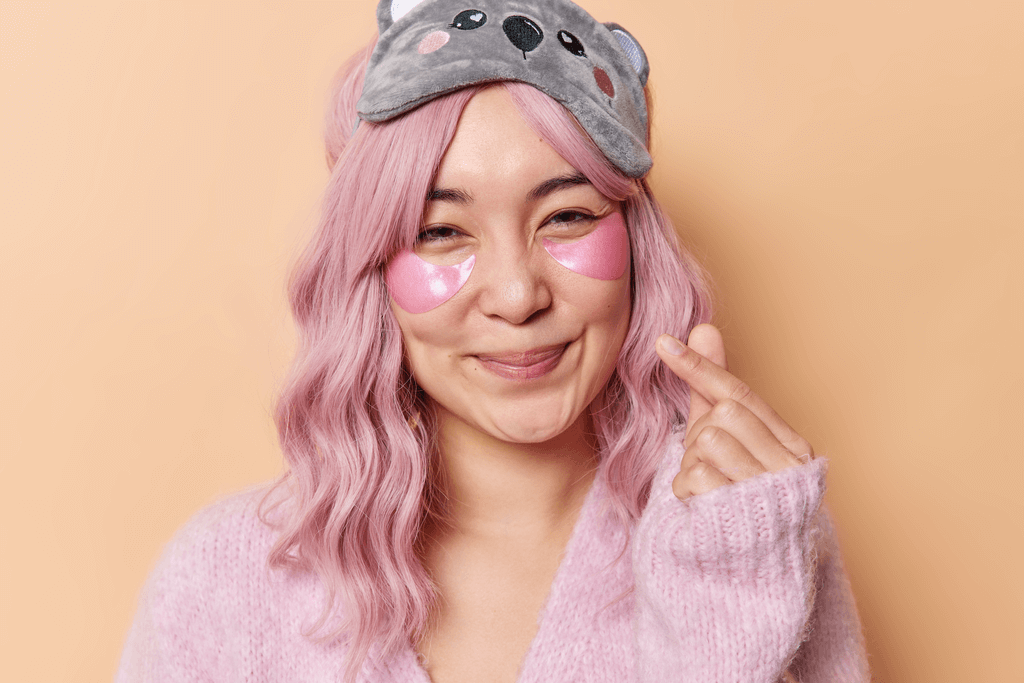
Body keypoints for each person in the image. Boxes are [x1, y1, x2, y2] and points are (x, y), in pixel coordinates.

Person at [116, 1, 869, 681]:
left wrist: (727, 596)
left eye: (568, 216)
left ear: (638, 246)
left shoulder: (748, 533)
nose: (517, 295)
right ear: (372, 269)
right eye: (441, 231)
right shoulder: (219, 585)